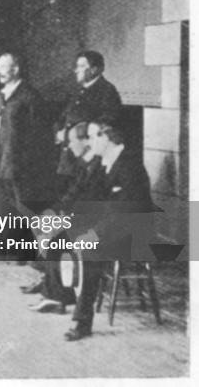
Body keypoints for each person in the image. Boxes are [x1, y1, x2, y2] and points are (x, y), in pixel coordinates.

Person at [64, 118, 154, 341]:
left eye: (95, 137)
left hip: (135, 234)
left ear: (108, 138)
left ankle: (82, 322)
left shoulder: (128, 165)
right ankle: (66, 293)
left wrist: (93, 235)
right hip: (117, 227)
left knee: (91, 249)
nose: (91, 142)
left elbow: (122, 214)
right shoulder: (108, 162)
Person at [27, 122, 106, 313]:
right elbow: (72, 194)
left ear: (86, 141)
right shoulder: (83, 163)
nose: (69, 146)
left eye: (72, 141)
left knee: (56, 238)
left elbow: (91, 200)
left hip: (97, 225)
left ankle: (56, 296)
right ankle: (53, 289)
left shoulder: (98, 165)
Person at [0, 53, 49, 259]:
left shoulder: (29, 96)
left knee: (24, 206)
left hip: (19, 163)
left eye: (4, 67)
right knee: (3, 205)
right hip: (0, 161)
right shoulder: (1, 95)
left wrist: (28, 161)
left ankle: (26, 251)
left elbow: (39, 133)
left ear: (16, 69)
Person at [54, 51, 121, 194]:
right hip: (68, 158)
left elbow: (104, 126)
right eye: (77, 66)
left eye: (81, 66)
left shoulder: (107, 91)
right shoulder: (78, 91)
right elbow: (64, 117)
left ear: (94, 69)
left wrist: (70, 134)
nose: (76, 70)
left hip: (88, 160)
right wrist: (58, 132)